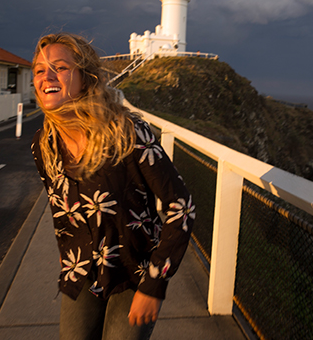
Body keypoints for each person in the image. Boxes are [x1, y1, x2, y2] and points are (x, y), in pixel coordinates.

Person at [30, 33, 195, 340]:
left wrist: (155, 284)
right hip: (81, 276)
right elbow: (63, 221)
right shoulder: (44, 146)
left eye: (61, 67)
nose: (47, 76)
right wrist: (71, 265)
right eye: (39, 70)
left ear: (86, 77)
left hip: (135, 274)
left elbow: (181, 207)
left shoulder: (127, 133)